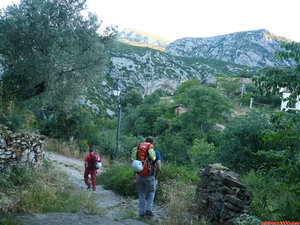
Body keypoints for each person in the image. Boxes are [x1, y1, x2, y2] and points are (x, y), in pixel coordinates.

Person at [134, 136, 162, 218]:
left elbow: (135, 165)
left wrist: (134, 176)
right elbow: (159, 167)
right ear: (152, 144)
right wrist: (156, 177)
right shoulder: (156, 152)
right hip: (150, 177)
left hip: (139, 176)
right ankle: (149, 209)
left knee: (142, 194)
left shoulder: (139, 152)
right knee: (151, 192)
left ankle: (141, 213)